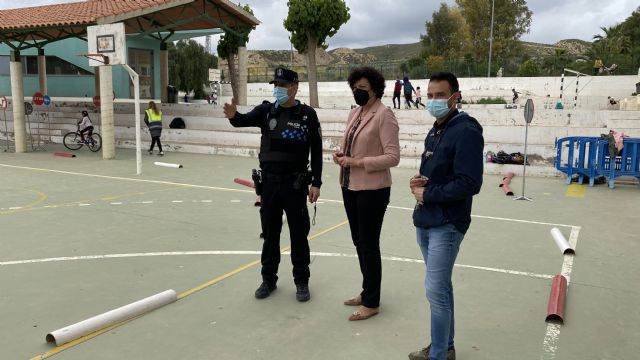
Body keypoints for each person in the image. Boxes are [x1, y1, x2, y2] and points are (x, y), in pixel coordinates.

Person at [223, 67, 322, 302]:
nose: (277, 89)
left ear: (295, 88)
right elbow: (242, 121)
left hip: (295, 185)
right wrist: (232, 115)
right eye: (275, 85)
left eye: (282, 85)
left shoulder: (307, 115)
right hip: (269, 185)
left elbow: (316, 152)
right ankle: (268, 280)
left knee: (299, 235)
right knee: (270, 235)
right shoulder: (266, 111)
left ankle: (301, 281)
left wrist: (316, 183)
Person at [408, 72, 484, 360]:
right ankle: (445, 347)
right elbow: (439, 174)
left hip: (447, 222)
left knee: (435, 291)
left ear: (456, 97)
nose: (434, 101)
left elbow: (469, 182)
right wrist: (420, 182)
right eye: (430, 95)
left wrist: (429, 194)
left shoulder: (466, 130)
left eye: (440, 95)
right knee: (442, 288)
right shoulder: (437, 128)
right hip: (427, 220)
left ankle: (438, 354)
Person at [332, 66, 400, 321]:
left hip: (373, 189)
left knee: (369, 244)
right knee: (359, 242)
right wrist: (342, 157)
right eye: (354, 88)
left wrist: (357, 162)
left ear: (374, 89)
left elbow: (393, 157)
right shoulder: (355, 113)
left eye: (361, 88)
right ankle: (367, 290)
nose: (357, 92)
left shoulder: (385, 115)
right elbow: (350, 146)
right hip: (350, 185)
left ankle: (372, 301)